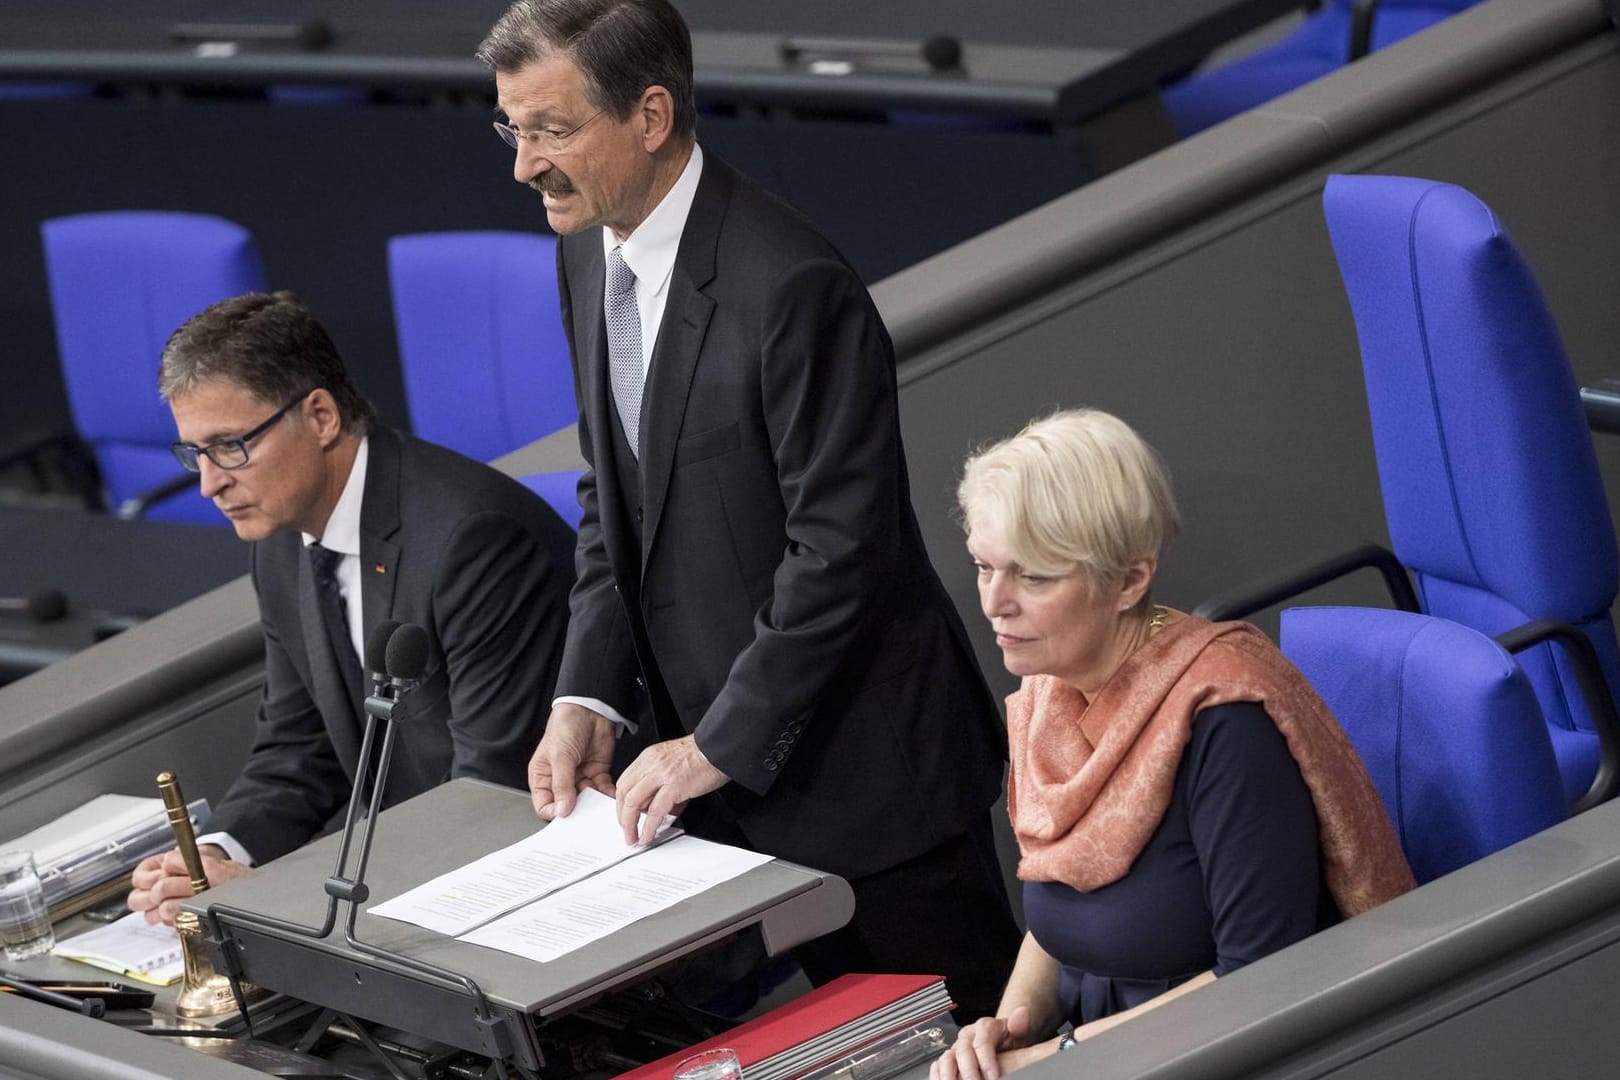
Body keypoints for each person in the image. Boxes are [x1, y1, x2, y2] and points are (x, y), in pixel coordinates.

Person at [476, 0, 1020, 1019]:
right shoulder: (584, 250)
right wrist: (585, 699)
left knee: (970, 1044)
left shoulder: (792, 286)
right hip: (729, 795)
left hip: (872, 791)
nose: (525, 165)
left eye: (552, 130)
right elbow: (614, 499)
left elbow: (839, 552)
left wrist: (716, 742)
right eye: (513, 129)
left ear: (649, 114)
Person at [935, 409, 1415, 1079]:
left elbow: (1260, 978)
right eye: (985, 567)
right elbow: (1057, 898)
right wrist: (1005, 1032)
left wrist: (1058, 1059)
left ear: (1131, 580)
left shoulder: (1225, 721)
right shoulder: (1048, 691)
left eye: (1034, 577)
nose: (994, 602)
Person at [127, 291, 577, 925]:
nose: (209, 483)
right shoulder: (282, 542)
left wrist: (268, 895)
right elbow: (296, 752)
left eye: (230, 447)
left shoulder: (474, 542)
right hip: (395, 882)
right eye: (194, 453)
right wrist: (210, 857)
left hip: (523, 894)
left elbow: (485, 796)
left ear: (319, 417)